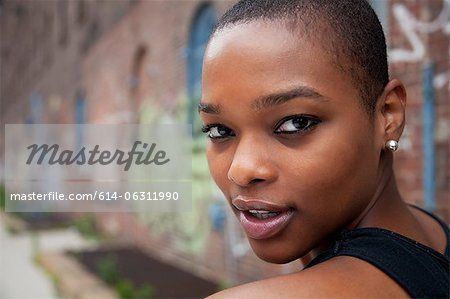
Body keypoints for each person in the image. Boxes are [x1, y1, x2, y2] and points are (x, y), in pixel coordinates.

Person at [198, 0, 450, 298]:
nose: (240, 170)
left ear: (388, 115)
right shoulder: (431, 232)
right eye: (220, 131)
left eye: (295, 123)